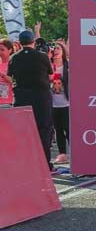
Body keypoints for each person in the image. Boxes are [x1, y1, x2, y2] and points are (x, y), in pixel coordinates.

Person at [8, 30, 55, 171]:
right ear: (33, 41)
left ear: (20, 43)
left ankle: (25, 164)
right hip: (41, 98)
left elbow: (11, 76)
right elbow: (50, 75)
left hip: (21, 98)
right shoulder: (42, 56)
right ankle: (45, 164)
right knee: (44, 130)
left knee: (23, 132)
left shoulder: (14, 57)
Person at [49, 41, 70, 164]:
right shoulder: (48, 66)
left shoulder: (68, 66)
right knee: (58, 129)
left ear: (63, 51)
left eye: (58, 48)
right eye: (54, 49)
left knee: (68, 129)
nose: (55, 51)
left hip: (67, 103)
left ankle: (76, 152)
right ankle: (62, 154)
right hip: (52, 103)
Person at [0, 38, 13, 109]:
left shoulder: (13, 64)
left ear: (10, 50)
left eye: (2, 50)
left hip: (7, 103)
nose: (0, 52)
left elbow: (14, 81)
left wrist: (2, 75)